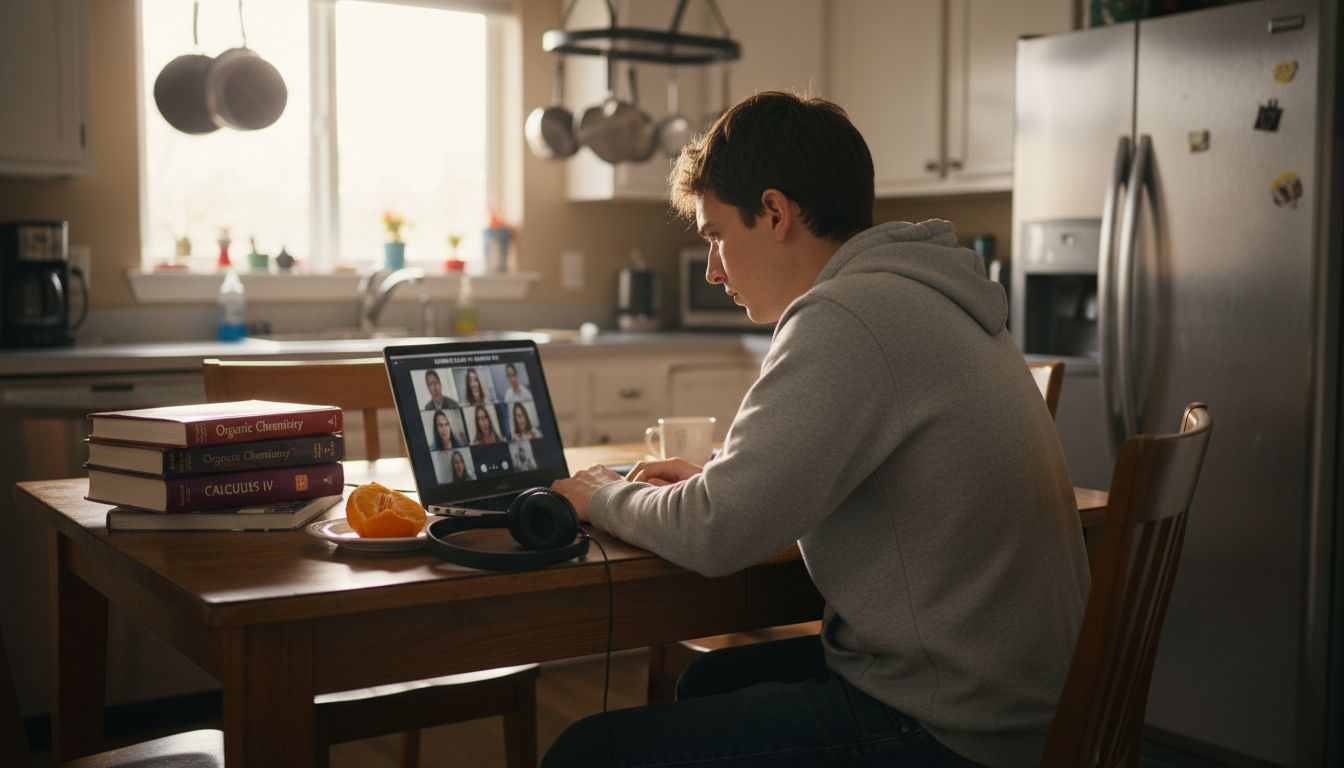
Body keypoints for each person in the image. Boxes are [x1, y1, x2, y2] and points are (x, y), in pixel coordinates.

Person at [547, 92, 1089, 768]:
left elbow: (719, 532)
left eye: (717, 235)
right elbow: (791, 487)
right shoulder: (928, 293)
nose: (713, 269)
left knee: (584, 754)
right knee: (706, 680)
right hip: (1028, 702)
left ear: (775, 213)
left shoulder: (847, 315)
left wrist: (598, 495)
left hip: (954, 728)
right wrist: (725, 484)